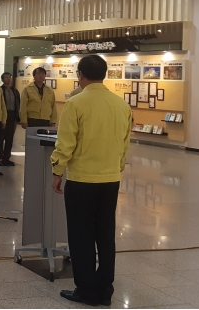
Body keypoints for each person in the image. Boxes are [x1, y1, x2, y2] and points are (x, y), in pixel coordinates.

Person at [52, 55, 132, 307]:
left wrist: (57, 171)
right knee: (106, 234)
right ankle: (105, 289)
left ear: (81, 75)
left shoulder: (76, 104)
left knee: (81, 235)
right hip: (110, 179)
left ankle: (86, 290)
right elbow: (124, 143)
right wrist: (116, 168)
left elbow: (65, 143)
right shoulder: (121, 105)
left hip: (82, 179)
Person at [0, 72, 20, 167]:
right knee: (1, 137)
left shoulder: (15, 91)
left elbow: (18, 104)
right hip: (2, 115)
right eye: (6, 77)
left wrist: (17, 117)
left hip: (12, 115)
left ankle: (7, 157)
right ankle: (0, 157)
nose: (8, 79)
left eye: (10, 77)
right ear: (2, 79)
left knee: (10, 137)